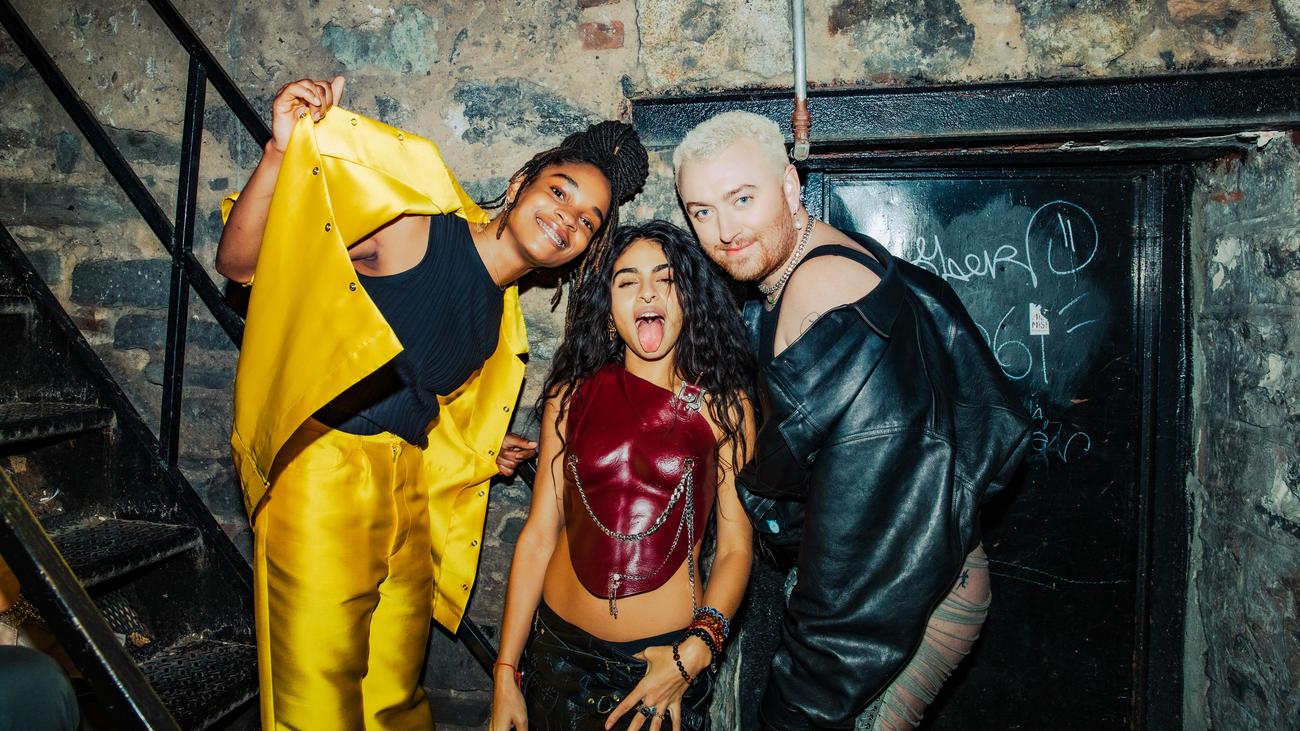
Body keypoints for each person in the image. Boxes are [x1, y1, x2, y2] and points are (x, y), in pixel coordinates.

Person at [215, 75, 648, 730]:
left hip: (407, 486)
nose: (569, 217)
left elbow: (417, 392)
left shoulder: (501, 322)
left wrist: (481, 452)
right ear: (519, 184)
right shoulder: (411, 228)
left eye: (588, 220)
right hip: (326, 465)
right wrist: (279, 153)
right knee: (316, 704)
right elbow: (244, 263)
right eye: (559, 192)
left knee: (394, 701)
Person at [673, 111, 1031, 730]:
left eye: (743, 198)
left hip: (905, 599)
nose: (725, 231)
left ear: (790, 186)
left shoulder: (824, 297)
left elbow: (866, 545)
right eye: (702, 211)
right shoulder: (820, 263)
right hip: (913, 574)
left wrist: (801, 703)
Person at [488, 222, 756, 731]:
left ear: (690, 299)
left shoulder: (725, 405)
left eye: (665, 279)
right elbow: (540, 534)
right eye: (627, 281)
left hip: (660, 666)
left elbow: (736, 547)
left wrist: (698, 648)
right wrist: (505, 672)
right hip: (555, 651)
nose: (647, 292)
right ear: (609, 308)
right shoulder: (570, 395)